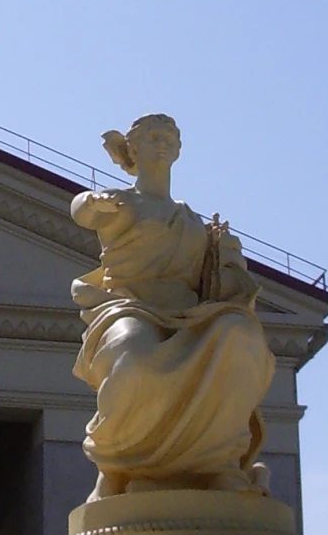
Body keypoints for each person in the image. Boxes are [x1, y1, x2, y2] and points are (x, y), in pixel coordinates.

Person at [70, 114, 274, 497]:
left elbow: (222, 282)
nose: (162, 144)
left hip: (191, 314)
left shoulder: (192, 220)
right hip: (129, 306)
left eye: (170, 139)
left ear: (179, 150)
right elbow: (83, 210)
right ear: (132, 149)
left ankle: (219, 464)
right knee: (134, 356)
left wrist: (226, 254)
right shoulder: (121, 202)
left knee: (241, 334)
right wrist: (91, 202)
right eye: (152, 137)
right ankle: (117, 463)